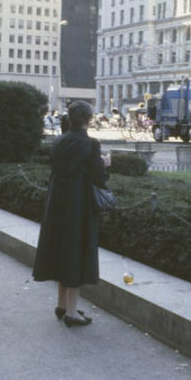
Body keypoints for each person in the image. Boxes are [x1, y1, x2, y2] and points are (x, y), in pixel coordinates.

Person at [32, 101, 111, 327]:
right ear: (88, 119)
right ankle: (72, 312)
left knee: (61, 251)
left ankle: (62, 304)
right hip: (78, 205)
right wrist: (105, 164)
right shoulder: (89, 144)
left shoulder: (59, 141)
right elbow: (99, 178)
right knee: (76, 253)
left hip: (57, 203)